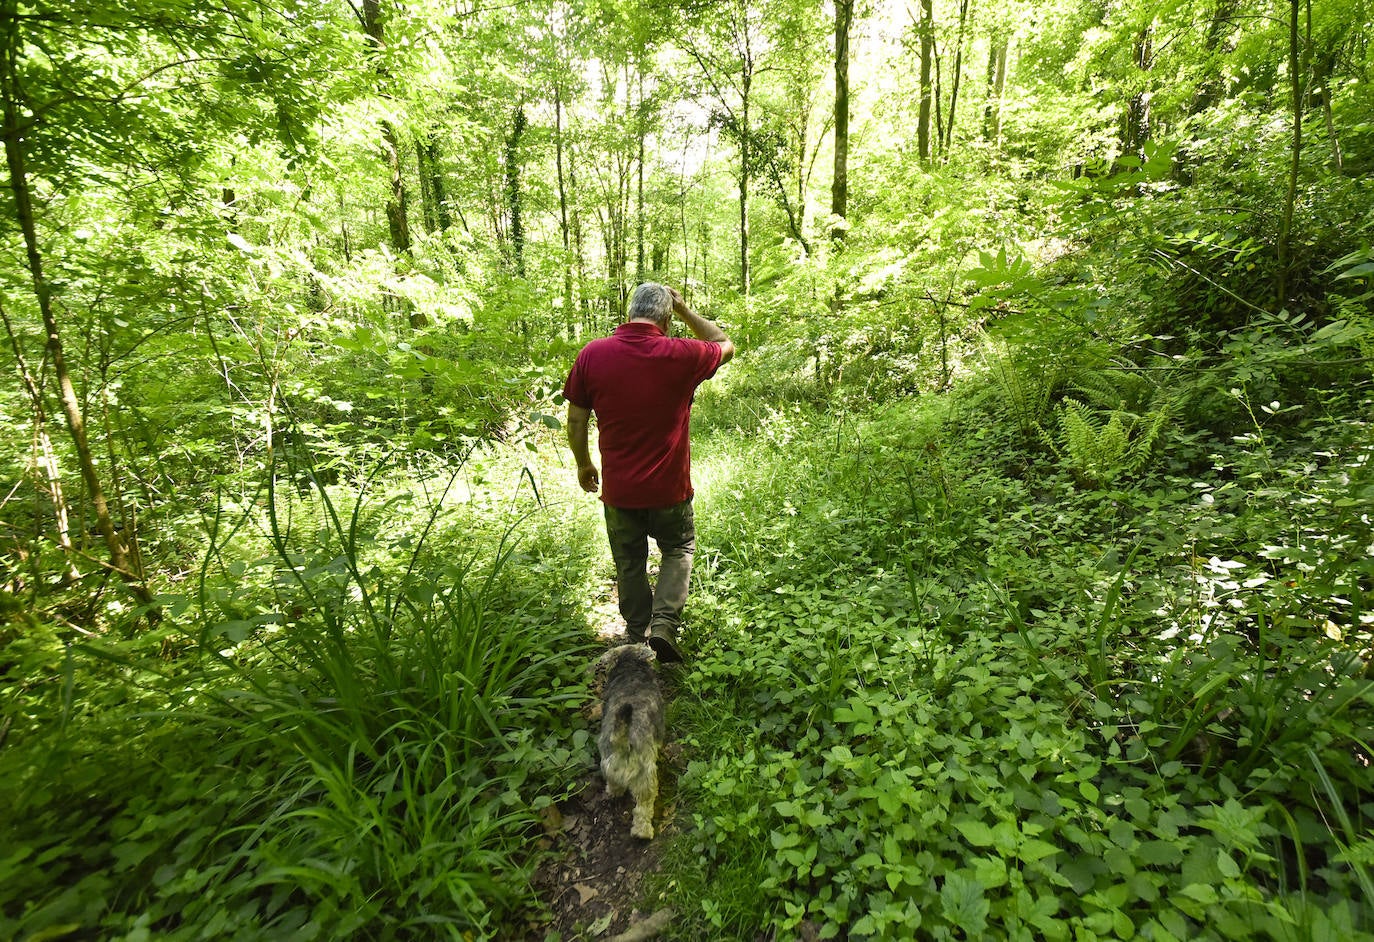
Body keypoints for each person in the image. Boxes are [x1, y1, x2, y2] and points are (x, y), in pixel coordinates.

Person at [563, 283, 735, 662]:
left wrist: (583, 463)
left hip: (621, 493)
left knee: (629, 560)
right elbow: (725, 343)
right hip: (670, 490)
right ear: (667, 318)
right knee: (678, 548)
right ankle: (664, 628)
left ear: (629, 314)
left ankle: (636, 631)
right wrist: (688, 311)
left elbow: (576, 418)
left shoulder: (593, 354)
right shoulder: (684, 354)